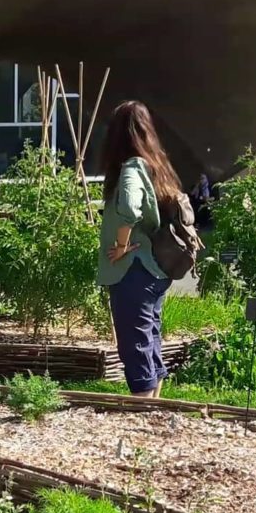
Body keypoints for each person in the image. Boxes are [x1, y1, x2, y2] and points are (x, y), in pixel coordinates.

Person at [97, 100, 178, 399]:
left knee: (134, 341)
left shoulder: (131, 168)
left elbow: (129, 209)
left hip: (135, 269)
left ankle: (141, 408)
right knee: (149, 336)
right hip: (155, 268)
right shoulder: (155, 165)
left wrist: (121, 246)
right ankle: (152, 406)